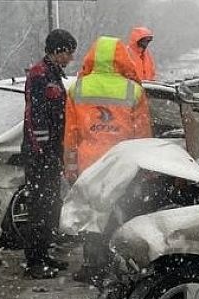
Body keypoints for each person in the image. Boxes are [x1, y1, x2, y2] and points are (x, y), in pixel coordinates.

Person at [63, 36, 153, 282]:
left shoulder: (77, 88)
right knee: (121, 212)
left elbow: (70, 134)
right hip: (121, 163)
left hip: (89, 165)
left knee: (92, 215)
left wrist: (70, 167)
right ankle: (118, 265)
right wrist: (145, 168)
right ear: (120, 58)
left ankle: (93, 264)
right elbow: (142, 133)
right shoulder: (132, 90)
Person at [21, 28, 77, 279]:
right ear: (57, 50)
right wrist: (42, 150)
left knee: (52, 205)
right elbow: (36, 116)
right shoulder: (39, 75)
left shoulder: (54, 74)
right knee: (40, 207)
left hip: (53, 153)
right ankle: (34, 261)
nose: (70, 58)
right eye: (68, 52)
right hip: (39, 154)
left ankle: (44, 254)